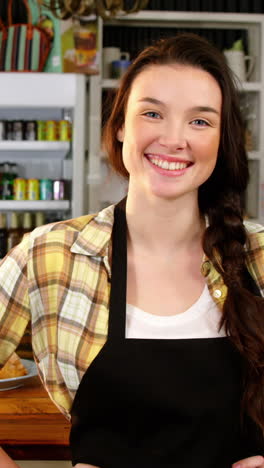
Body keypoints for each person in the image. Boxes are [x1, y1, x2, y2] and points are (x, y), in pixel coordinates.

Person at [0, 32, 263, 468]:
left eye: (200, 121)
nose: (174, 139)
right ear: (121, 124)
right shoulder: (51, 255)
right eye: (153, 113)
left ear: (223, 138)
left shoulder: (256, 253)